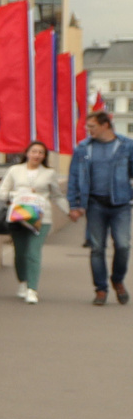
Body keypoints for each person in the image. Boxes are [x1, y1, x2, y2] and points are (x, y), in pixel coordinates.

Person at [66, 109, 131, 306]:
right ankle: (101, 289)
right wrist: (74, 205)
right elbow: (74, 177)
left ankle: (117, 279)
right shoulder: (83, 148)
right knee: (97, 248)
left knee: (123, 245)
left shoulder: (126, 146)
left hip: (121, 204)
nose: (89, 130)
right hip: (95, 204)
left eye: (92, 126)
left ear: (105, 125)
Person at [0, 142, 61, 303]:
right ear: (27, 153)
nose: (37, 155)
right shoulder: (15, 170)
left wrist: (71, 211)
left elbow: (57, 195)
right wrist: (19, 193)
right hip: (19, 217)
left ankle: (32, 289)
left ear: (44, 156)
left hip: (41, 218)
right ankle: (23, 282)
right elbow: (1, 193)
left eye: (41, 152)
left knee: (33, 252)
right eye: (34, 151)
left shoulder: (49, 173)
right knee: (20, 253)